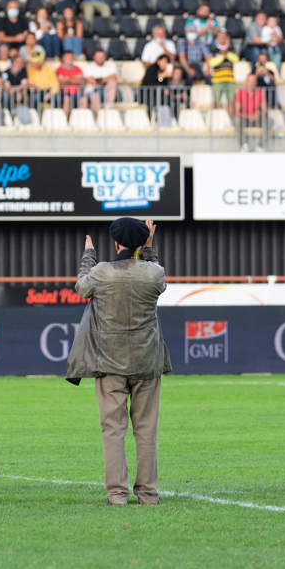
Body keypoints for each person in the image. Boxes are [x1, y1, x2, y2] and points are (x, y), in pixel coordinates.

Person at [67, 217, 170, 506]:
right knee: (147, 429)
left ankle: (117, 494)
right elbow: (155, 277)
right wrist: (149, 249)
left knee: (113, 430)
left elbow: (81, 288)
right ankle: (148, 493)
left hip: (109, 362)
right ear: (141, 244)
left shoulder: (101, 272)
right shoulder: (154, 272)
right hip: (147, 362)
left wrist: (88, 256)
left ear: (115, 243)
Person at [206, 30, 238, 112]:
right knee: (216, 101)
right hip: (217, 80)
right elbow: (211, 62)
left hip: (230, 80)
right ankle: (216, 120)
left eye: (224, 37)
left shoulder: (231, 49)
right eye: (220, 37)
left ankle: (231, 120)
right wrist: (222, 56)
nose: (222, 39)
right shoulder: (213, 50)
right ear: (217, 38)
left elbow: (236, 59)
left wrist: (227, 53)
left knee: (231, 101)